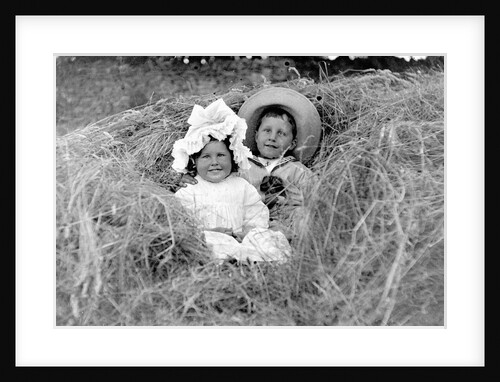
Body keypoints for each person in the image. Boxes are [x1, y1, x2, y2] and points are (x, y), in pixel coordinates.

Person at [178, 87, 322, 239]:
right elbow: (218, 178)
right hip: (253, 222)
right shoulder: (242, 164)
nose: (272, 138)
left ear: (292, 143)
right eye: (267, 131)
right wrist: (188, 177)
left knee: (302, 218)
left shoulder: (297, 170)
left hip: (288, 222)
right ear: (256, 136)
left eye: (281, 133)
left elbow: (319, 195)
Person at [172, 98, 292, 264]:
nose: (214, 162)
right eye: (206, 157)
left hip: (240, 238)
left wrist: (247, 233)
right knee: (211, 243)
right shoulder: (189, 188)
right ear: (194, 162)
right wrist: (209, 231)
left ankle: (255, 263)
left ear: (233, 157)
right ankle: (228, 263)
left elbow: (255, 213)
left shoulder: (241, 185)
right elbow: (181, 225)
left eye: (221, 156)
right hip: (208, 237)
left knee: (266, 238)